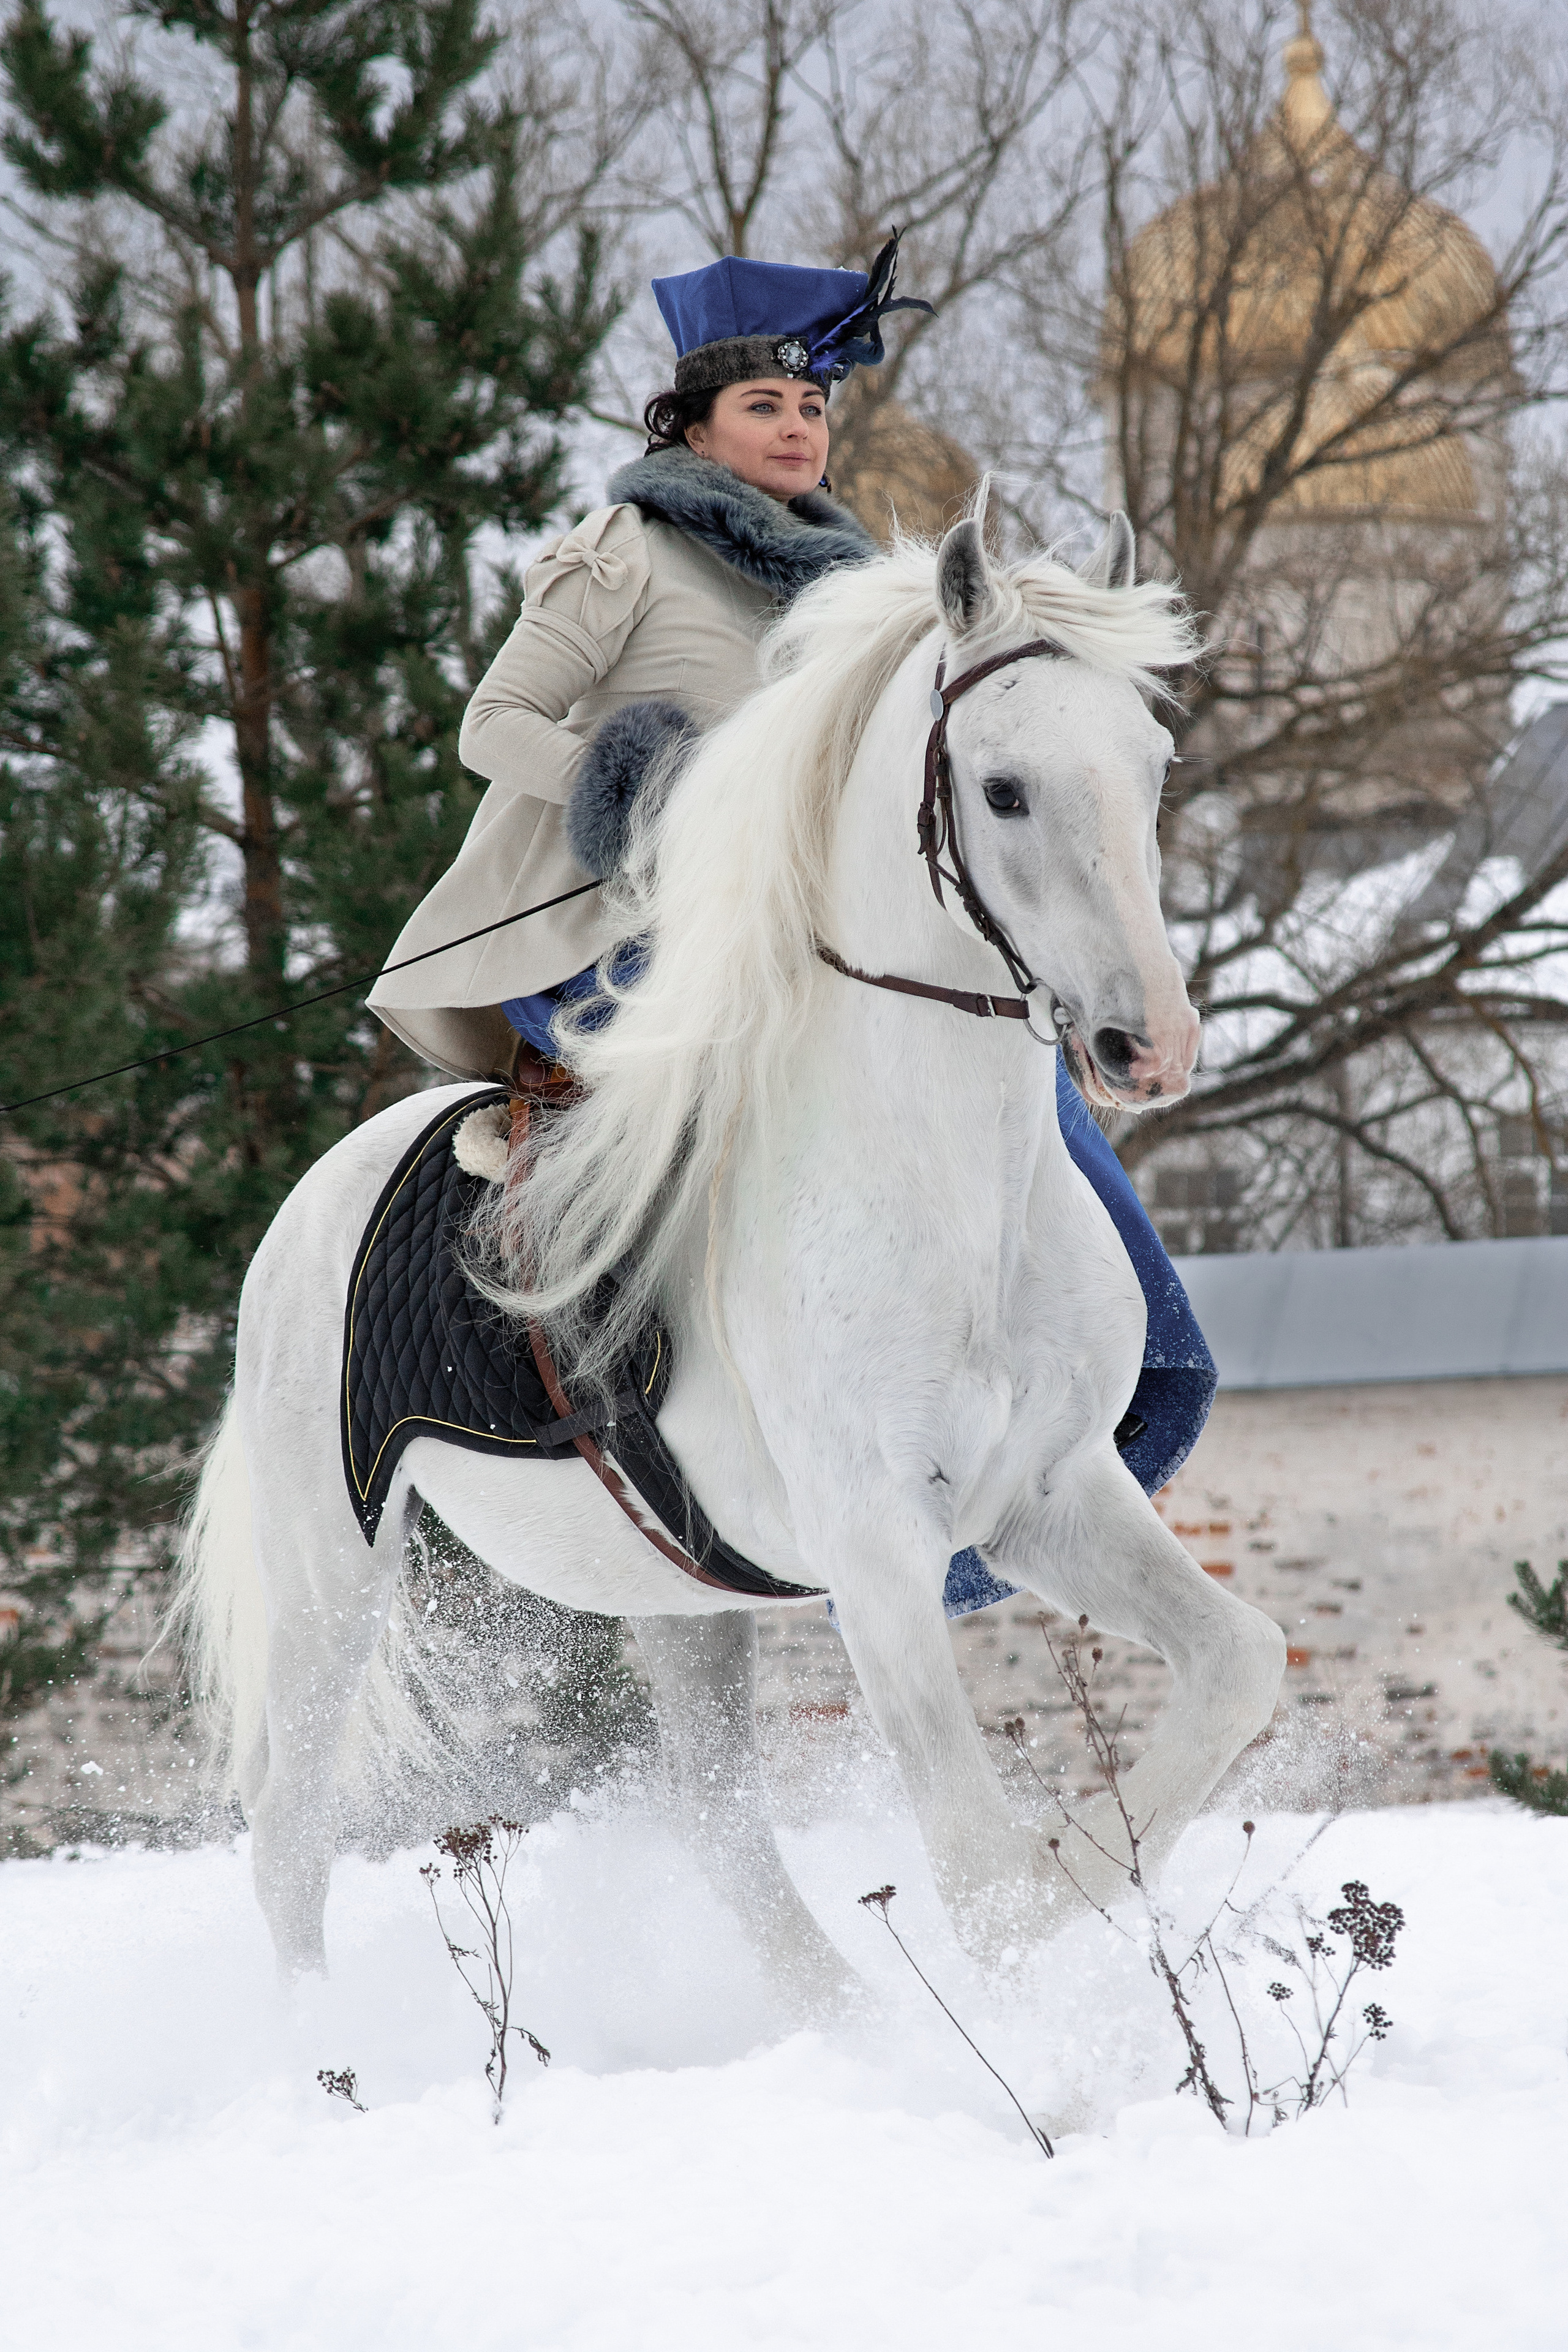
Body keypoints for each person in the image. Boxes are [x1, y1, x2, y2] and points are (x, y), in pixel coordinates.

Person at [368, 239, 1215, 1613]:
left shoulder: (856, 591)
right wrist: (628, 785)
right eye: (765, 407)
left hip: (801, 931)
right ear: (692, 423)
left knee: (996, 1067)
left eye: (813, 408)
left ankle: (1114, 1369)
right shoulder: (620, 555)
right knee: (724, 1081)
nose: (797, 427)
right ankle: (621, 1386)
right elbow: (490, 725)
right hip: (618, 922)